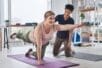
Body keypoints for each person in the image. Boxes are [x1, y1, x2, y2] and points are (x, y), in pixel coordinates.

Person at [10, 11, 83, 65]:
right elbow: (39, 46)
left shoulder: (54, 26)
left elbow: (65, 27)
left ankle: (30, 52)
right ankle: (16, 34)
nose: (52, 20)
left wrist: (77, 25)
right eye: (50, 18)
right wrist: (38, 61)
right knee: (21, 35)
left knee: (41, 56)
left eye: (54, 18)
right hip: (30, 37)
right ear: (45, 19)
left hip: (44, 42)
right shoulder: (39, 28)